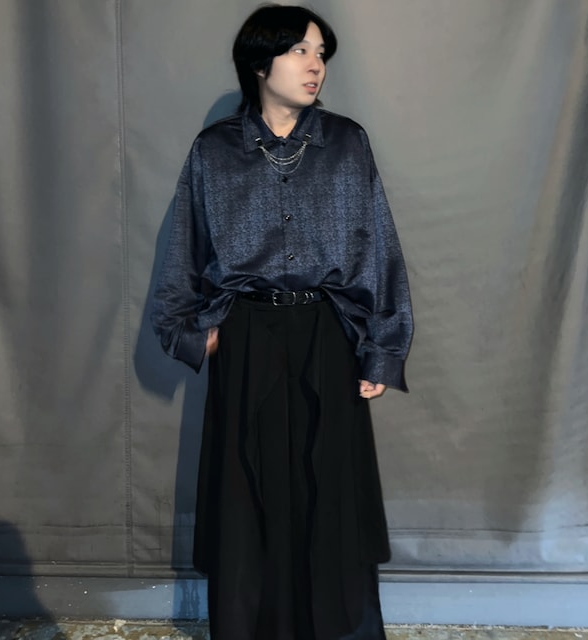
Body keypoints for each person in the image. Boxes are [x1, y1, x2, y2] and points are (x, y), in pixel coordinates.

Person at [152, 4, 413, 639]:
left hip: (329, 333)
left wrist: (381, 350)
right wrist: (195, 335)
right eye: (299, 50)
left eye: (320, 53)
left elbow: (378, 246)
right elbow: (184, 250)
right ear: (259, 62)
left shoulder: (346, 143)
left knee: (332, 490)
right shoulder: (215, 152)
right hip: (246, 334)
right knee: (248, 492)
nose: (314, 65)